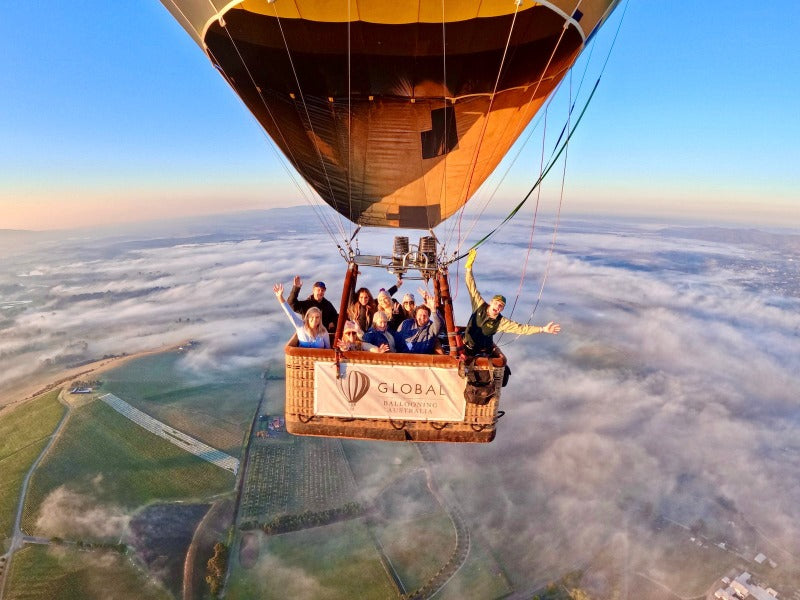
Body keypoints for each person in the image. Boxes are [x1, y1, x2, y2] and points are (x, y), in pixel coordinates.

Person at [463, 249, 560, 356]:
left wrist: (543, 329)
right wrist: (468, 268)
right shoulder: (479, 305)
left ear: (502, 309)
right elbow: (471, 287)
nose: (497, 306)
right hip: (466, 345)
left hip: (482, 352)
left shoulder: (501, 322)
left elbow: (522, 329)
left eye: (501, 306)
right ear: (491, 302)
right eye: (496, 303)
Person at [274, 283, 330, 348]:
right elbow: (290, 313)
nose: (314, 319)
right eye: (312, 317)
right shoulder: (300, 326)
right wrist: (280, 297)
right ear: (308, 317)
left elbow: (328, 348)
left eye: (317, 317)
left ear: (320, 319)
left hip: (319, 358)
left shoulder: (323, 331)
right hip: (302, 358)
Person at [397, 289, 443, 354]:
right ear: (415, 316)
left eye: (425, 315)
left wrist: (433, 309)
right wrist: (410, 349)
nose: (422, 317)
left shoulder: (431, 327)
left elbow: (439, 324)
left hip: (423, 359)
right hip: (405, 357)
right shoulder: (405, 323)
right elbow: (398, 338)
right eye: (406, 303)